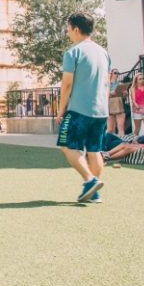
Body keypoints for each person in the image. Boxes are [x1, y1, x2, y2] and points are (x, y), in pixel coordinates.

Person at [55, 11, 110, 203]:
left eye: (68, 29)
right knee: (94, 150)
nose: (68, 32)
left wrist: (61, 109)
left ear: (76, 29)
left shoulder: (73, 52)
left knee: (66, 145)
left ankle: (89, 180)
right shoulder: (103, 53)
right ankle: (94, 192)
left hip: (79, 110)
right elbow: (107, 84)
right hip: (101, 110)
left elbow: (67, 84)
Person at [107, 69, 126, 135]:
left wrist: (125, 94)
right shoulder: (107, 84)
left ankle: (121, 142)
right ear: (111, 73)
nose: (117, 75)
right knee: (110, 128)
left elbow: (124, 97)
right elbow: (103, 95)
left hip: (118, 104)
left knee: (121, 127)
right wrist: (110, 93)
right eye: (115, 73)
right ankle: (110, 143)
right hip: (110, 104)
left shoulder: (120, 84)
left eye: (118, 73)